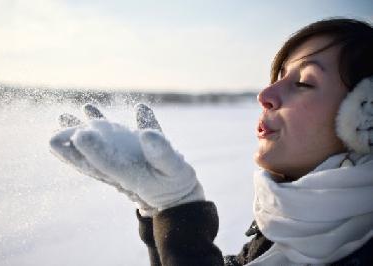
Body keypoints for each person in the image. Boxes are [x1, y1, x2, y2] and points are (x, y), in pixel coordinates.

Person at [50, 17, 373, 265]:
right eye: (277, 78)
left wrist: (179, 209)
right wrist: (159, 214)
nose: (265, 95)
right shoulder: (290, 228)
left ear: (365, 116)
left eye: (303, 82)